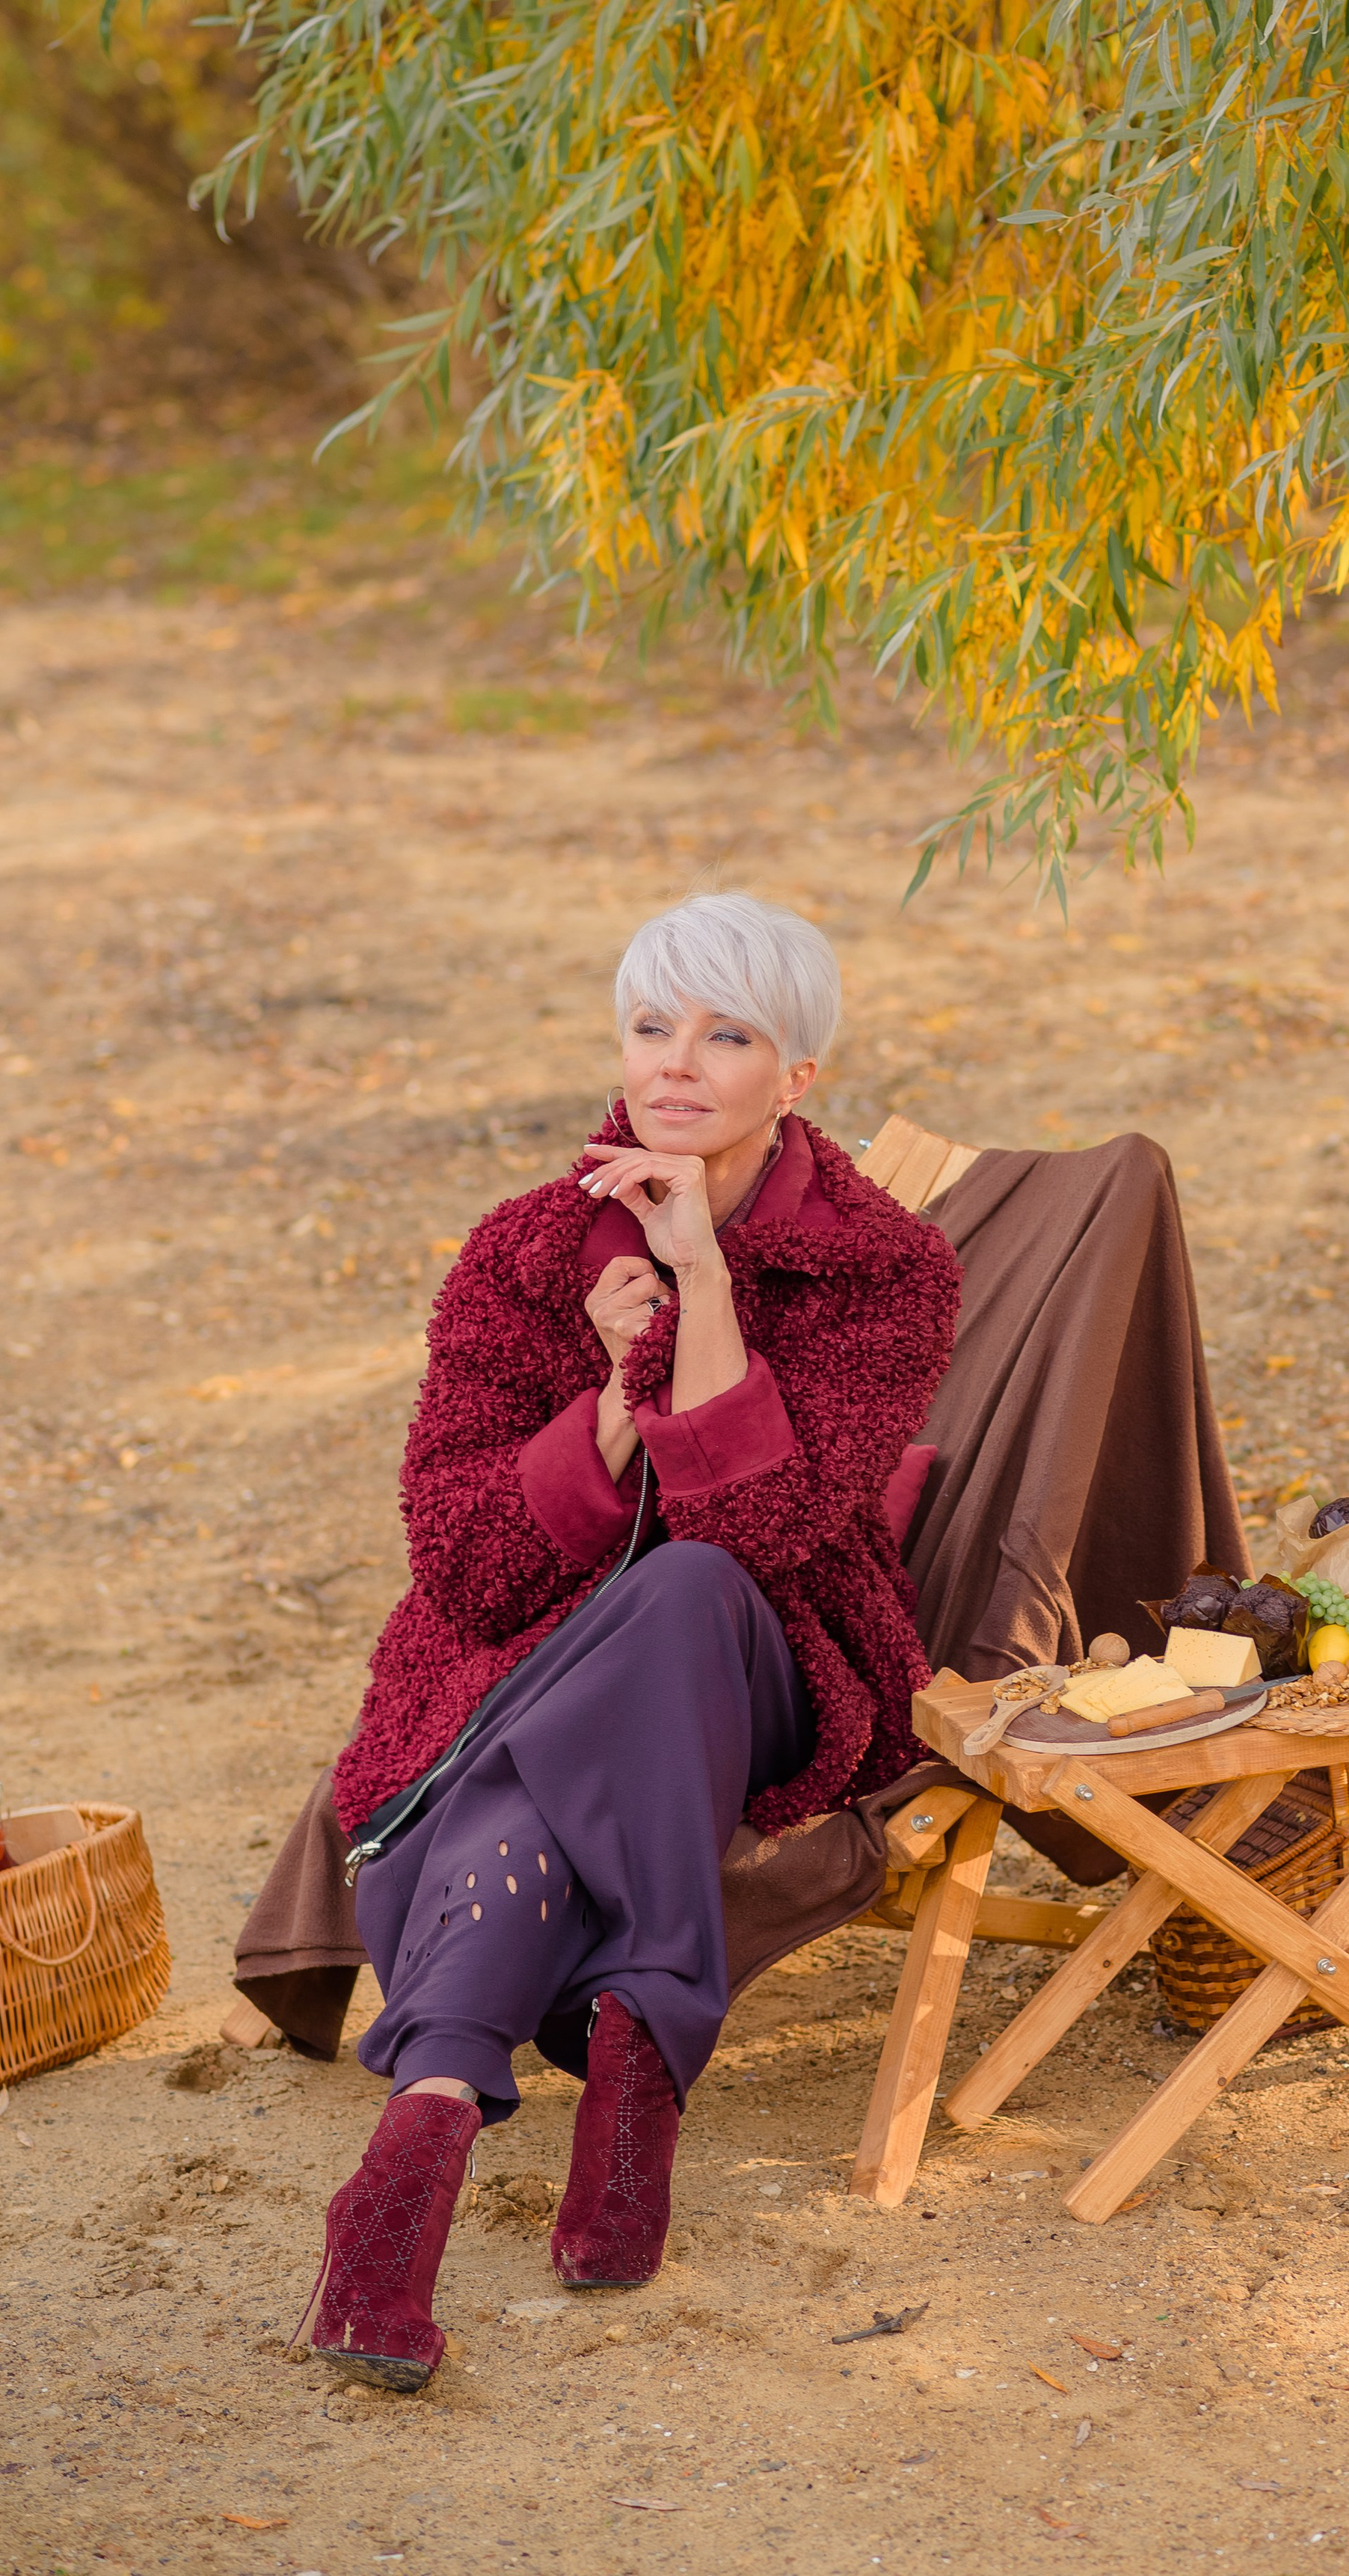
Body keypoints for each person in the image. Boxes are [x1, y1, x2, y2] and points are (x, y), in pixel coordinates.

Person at [300, 893, 962, 2392]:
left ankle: (510, 2061)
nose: (678, 1064)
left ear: (795, 1075)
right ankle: (453, 2112)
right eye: (653, 1026)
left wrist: (704, 1292)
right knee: (545, 1757)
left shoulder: (885, 1269)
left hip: (773, 1657)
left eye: (727, 1034)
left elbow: (761, 1534)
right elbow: (461, 1560)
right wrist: (603, 1401)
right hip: (535, 1657)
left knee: (680, 1594)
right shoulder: (524, 1253)